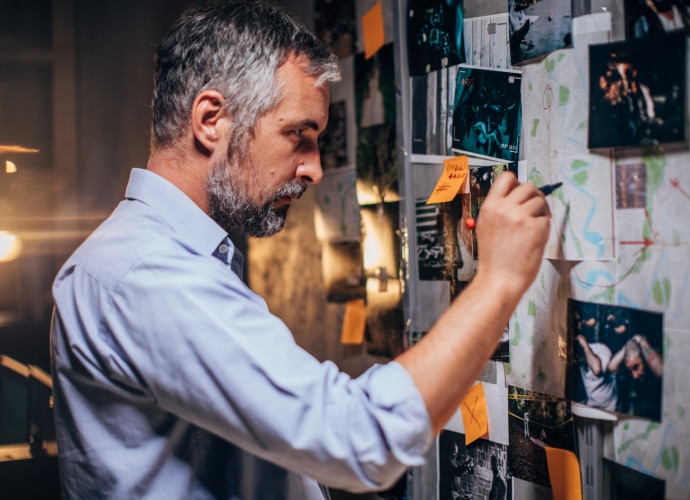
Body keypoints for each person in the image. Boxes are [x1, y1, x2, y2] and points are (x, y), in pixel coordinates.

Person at [50, 1, 552, 498]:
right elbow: (360, 439)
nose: (314, 168)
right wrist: (500, 279)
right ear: (210, 119)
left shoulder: (176, 257)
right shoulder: (146, 273)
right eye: (298, 136)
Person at [608, 334, 663, 420]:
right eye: (631, 369)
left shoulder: (652, 367)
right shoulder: (631, 365)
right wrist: (628, 346)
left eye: (636, 367)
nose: (634, 376)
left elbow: (661, 371)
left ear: (644, 358)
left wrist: (642, 341)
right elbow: (611, 367)